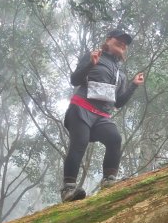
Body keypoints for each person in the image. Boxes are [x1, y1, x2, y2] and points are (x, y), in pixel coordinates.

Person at [61, 29, 145, 202]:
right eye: (119, 39)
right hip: (82, 107)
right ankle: (68, 190)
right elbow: (74, 80)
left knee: (114, 139)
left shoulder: (120, 74)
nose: (123, 43)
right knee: (80, 143)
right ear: (108, 40)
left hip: (102, 116)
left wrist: (133, 85)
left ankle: (108, 181)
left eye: (125, 43)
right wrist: (91, 64)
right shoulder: (94, 56)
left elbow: (118, 102)